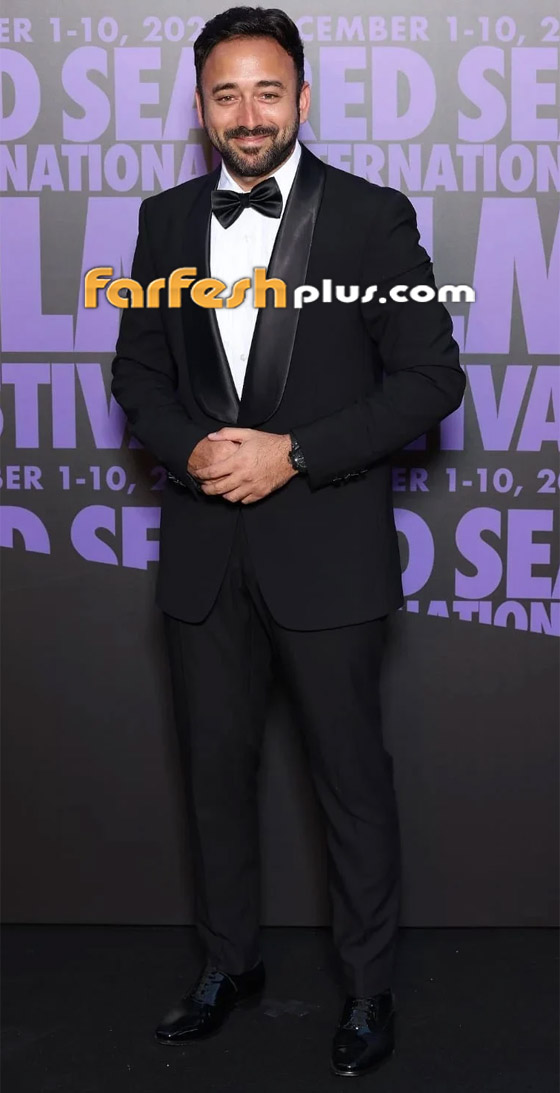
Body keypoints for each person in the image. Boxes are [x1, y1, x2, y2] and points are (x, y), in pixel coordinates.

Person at [110, 5, 466, 1078]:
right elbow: (137, 373)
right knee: (213, 778)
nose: (248, 114)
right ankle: (230, 965)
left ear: (301, 98)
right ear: (201, 107)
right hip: (203, 556)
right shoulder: (166, 221)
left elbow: (430, 379)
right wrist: (194, 451)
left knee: (349, 780)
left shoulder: (368, 218)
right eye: (226, 94)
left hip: (326, 553)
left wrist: (295, 454)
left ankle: (367, 988)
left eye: (268, 91)